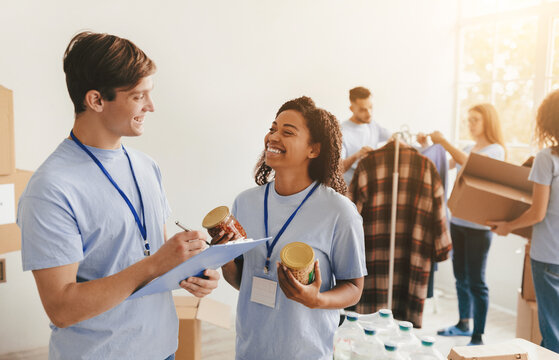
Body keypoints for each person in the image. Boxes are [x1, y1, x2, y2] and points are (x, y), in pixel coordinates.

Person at [17, 31, 219, 360]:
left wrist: (192, 272)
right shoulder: (51, 188)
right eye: (139, 96)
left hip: (163, 349)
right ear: (96, 100)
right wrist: (157, 263)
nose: (151, 107)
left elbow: (151, 255)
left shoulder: (146, 166)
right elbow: (62, 308)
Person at [212, 96, 367, 360]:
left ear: (313, 150)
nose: (273, 137)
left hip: (306, 352)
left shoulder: (338, 211)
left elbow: (353, 287)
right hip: (249, 350)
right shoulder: (245, 202)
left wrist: (316, 300)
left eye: (287, 132)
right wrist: (223, 259)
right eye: (273, 129)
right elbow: (243, 281)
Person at [418, 103, 505, 346]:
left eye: (475, 120)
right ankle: (463, 323)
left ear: (488, 121)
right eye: (469, 120)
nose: (470, 124)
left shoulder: (496, 150)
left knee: (477, 280)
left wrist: (443, 142)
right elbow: (442, 165)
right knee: (461, 277)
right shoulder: (469, 147)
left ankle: (478, 335)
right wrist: (428, 147)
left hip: (479, 227)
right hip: (458, 221)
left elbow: (471, 164)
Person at [488, 90, 559, 352]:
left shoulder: (547, 158)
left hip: (549, 256)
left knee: (552, 334)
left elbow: (537, 213)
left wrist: (507, 226)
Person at [341, 86, 391, 185]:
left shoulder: (373, 125)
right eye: (363, 110)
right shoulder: (342, 132)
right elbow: (338, 168)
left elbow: (394, 137)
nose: (369, 113)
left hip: (371, 184)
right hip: (350, 189)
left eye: (370, 107)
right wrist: (357, 155)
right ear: (351, 109)